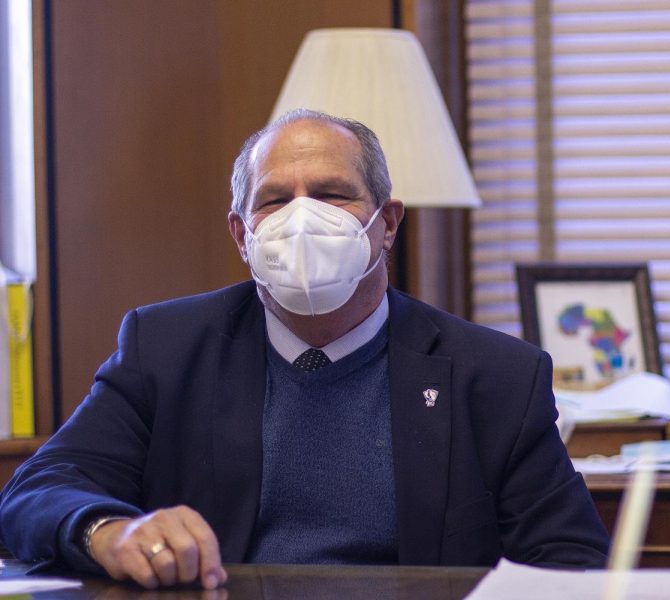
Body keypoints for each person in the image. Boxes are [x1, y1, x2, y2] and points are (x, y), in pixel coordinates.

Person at [0, 109, 609, 589]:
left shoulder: (496, 376)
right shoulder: (166, 348)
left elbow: (572, 559)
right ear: (243, 234)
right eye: (273, 199)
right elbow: (35, 492)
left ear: (387, 223)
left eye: (332, 192)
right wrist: (108, 531)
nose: (302, 217)